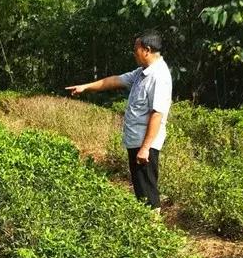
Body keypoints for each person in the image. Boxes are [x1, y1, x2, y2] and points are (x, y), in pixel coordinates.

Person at [66, 31, 172, 210]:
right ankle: (147, 228)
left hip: (145, 144)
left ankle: (153, 230)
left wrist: (145, 148)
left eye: (135, 49)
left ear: (146, 50)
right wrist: (86, 87)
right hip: (136, 142)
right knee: (141, 190)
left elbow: (157, 114)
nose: (133, 53)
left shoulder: (159, 76)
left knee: (147, 191)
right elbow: (115, 80)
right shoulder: (142, 73)